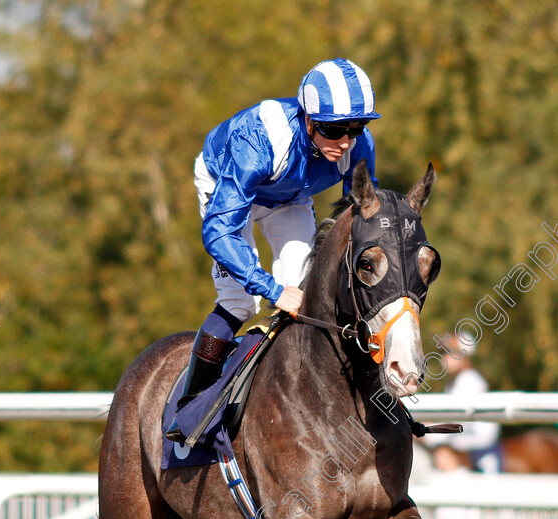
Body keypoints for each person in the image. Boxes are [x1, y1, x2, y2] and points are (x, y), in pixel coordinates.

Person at [167, 58, 381, 442]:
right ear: (309, 120)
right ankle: (188, 411)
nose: (347, 141)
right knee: (239, 302)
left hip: (289, 199)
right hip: (229, 191)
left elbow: (363, 213)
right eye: (335, 129)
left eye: (356, 127)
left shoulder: (357, 143)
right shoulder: (260, 137)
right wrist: (270, 288)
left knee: (305, 293)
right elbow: (219, 232)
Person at [426, 332, 501, 473]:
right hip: (465, 444)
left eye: (449, 352)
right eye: (442, 352)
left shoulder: (469, 381)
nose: (444, 357)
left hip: (476, 451)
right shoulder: (455, 381)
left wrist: (425, 431)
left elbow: (456, 423)